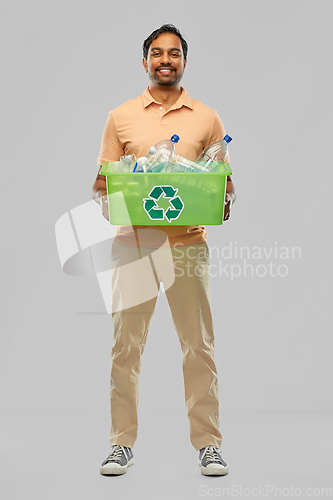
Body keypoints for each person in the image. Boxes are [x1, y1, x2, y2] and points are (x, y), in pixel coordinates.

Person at [92, 24, 236, 476]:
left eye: (174, 53)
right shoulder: (121, 116)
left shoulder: (207, 118)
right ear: (145, 61)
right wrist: (109, 198)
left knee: (199, 346)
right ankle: (121, 444)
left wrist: (224, 199)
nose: (165, 60)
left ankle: (208, 444)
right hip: (133, 245)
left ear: (184, 62)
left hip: (188, 245)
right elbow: (101, 183)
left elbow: (224, 183)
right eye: (157, 53)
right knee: (125, 349)